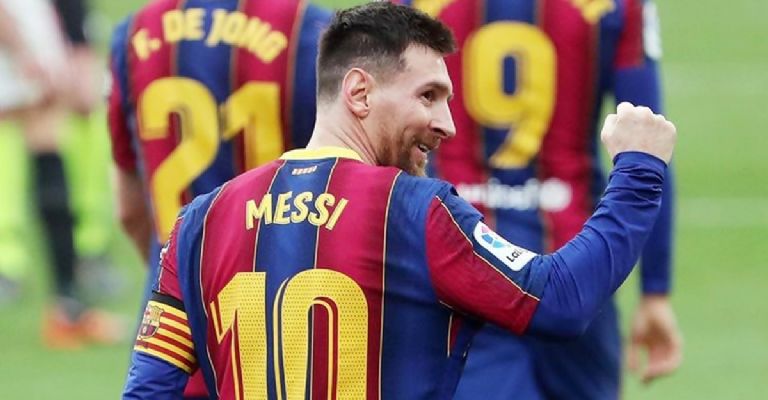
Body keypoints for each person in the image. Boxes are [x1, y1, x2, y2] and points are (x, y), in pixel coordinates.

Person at [121, 2, 677, 398]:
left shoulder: (198, 224)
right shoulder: (413, 212)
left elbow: (148, 390)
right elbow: (561, 299)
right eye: (428, 96)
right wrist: (638, 172)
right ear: (359, 92)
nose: (447, 124)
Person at [395, 0, 683, 398]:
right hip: (580, 268)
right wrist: (655, 291)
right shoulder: (621, 5)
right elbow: (649, 134)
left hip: (463, 263)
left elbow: (386, 127)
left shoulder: (413, 5)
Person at [107, 0, 332, 397]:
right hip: (290, 322)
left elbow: (128, 209)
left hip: (173, 337)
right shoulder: (307, 29)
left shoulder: (135, 33)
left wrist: (177, 278)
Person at [0, 0, 122, 348]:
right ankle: (66, 307)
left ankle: (68, 307)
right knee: (44, 133)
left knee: (47, 143)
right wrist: (26, 49)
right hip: (19, 28)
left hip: (26, 27)